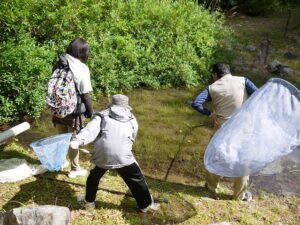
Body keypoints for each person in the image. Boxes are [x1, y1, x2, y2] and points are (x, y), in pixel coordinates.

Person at [69, 94, 160, 212]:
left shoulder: (101, 116)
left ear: (112, 104)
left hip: (102, 156)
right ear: (126, 106)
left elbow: (89, 130)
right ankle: (146, 206)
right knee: (137, 179)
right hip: (124, 157)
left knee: (93, 178)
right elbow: (132, 137)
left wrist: (77, 140)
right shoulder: (132, 118)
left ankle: (88, 203)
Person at [192, 63, 258, 201]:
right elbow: (259, 95)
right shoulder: (243, 81)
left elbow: (196, 103)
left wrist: (210, 114)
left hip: (222, 128)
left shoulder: (212, 88)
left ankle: (210, 188)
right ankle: (239, 196)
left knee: (215, 156)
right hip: (243, 128)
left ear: (215, 75)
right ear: (229, 73)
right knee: (242, 160)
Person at [52, 37, 94, 178]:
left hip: (58, 107)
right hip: (73, 110)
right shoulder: (81, 68)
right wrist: (90, 112)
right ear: (82, 52)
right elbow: (85, 94)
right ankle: (75, 169)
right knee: (73, 140)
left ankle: (60, 163)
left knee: (61, 137)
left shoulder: (59, 62)